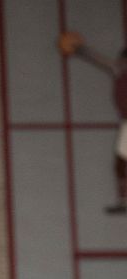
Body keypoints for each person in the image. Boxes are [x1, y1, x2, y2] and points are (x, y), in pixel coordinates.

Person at [61, 30, 127, 213]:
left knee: (121, 163)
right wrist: (80, 49)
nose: (120, 63)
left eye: (123, 60)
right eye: (121, 60)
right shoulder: (118, 71)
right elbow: (100, 60)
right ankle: (123, 200)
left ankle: (124, 200)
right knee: (121, 164)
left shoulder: (121, 71)